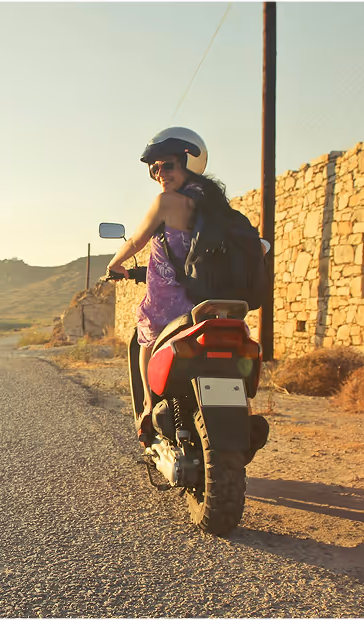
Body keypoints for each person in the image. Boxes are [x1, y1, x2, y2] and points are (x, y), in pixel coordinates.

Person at [105, 127, 236, 447]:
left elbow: (136, 239)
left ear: (188, 165)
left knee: (144, 334)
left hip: (171, 307)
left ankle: (149, 409)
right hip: (212, 305)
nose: (160, 173)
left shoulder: (166, 202)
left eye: (168, 165)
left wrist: (114, 265)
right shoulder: (219, 206)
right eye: (155, 167)